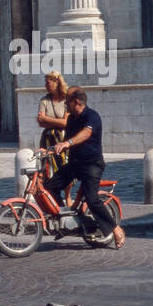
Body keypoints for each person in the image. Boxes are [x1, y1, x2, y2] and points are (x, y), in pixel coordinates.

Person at [43, 89, 125, 249]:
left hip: (92, 165)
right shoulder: (72, 119)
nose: (65, 103)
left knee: (91, 198)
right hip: (75, 164)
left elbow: (86, 134)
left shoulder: (92, 116)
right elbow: (66, 140)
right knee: (49, 187)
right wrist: (49, 149)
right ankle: (62, 219)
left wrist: (68, 143)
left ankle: (116, 229)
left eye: (67, 100)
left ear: (77, 102)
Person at [36, 71, 70, 195]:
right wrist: (57, 122)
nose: (46, 85)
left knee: (64, 166)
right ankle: (53, 196)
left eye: (48, 82)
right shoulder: (44, 100)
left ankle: (67, 196)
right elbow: (40, 122)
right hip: (48, 138)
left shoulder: (67, 100)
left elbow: (66, 123)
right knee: (48, 167)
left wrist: (47, 119)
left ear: (57, 82)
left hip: (63, 137)